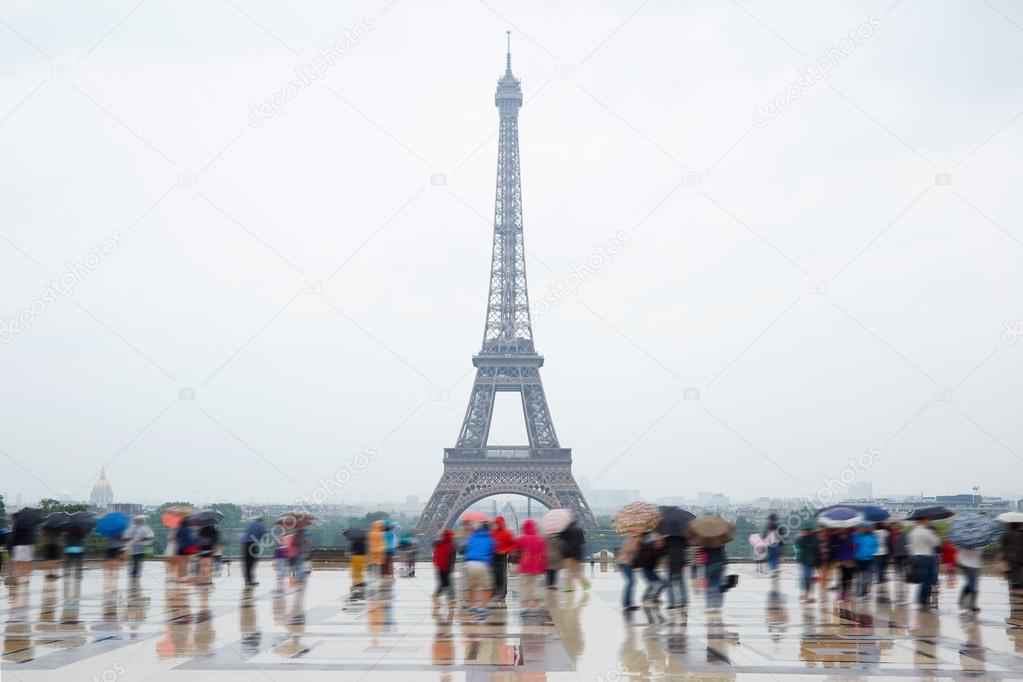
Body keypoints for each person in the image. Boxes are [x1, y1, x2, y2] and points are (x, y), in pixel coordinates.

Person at [514, 519, 547, 615]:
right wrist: (543, 567)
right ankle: (535, 607)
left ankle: (524, 607)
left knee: (524, 587)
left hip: (524, 566)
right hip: (537, 567)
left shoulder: (522, 539)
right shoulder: (540, 539)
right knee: (536, 587)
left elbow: (516, 549)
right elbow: (544, 555)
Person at [463, 522, 495, 618]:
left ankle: (472, 607)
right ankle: (482, 608)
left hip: (468, 564)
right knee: (488, 588)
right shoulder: (489, 539)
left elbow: (466, 549)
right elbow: (491, 552)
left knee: (471, 587)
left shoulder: (472, 537)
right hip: (482, 564)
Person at [909, 518, 940, 609]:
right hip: (927, 557)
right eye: (927, 520)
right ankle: (923, 599)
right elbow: (936, 542)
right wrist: (934, 534)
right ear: (923, 521)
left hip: (917, 556)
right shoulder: (926, 531)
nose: (929, 521)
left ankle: (920, 598)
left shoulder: (913, 532)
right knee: (927, 579)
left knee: (922, 579)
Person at [490, 516, 516, 604]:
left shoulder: (507, 533)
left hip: (502, 556)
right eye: (496, 523)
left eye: (498, 523)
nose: (497, 524)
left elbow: (513, 545)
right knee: (494, 575)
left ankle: (502, 594)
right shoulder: (492, 533)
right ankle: (495, 593)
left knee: (502, 575)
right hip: (493, 556)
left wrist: (505, 551)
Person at [559, 520, 590, 593]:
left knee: (568, 571)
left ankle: (569, 587)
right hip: (576, 554)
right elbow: (582, 542)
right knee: (577, 571)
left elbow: (561, 539)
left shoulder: (565, 530)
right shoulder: (579, 530)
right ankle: (585, 583)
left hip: (567, 553)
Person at [10, 511, 37, 585]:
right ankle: (26, 579)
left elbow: (13, 536)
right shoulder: (30, 525)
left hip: (19, 545)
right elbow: (33, 535)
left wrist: (11, 546)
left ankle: (18, 578)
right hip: (28, 545)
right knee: (27, 562)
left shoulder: (17, 524)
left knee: (18, 562)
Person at [636, 535, 665, 605]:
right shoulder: (648, 548)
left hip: (651, 570)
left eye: (660, 543)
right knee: (652, 584)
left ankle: (654, 598)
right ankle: (645, 598)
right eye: (658, 543)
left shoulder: (660, 550)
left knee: (662, 584)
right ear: (654, 542)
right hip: (646, 570)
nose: (659, 544)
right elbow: (642, 545)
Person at [432, 530, 456, 611]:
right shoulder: (451, 545)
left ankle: (437, 597)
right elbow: (452, 558)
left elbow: (435, 556)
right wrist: (451, 568)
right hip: (446, 567)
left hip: (439, 567)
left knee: (444, 584)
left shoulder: (438, 544)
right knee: (447, 584)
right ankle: (451, 601)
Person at [616, 535, 641, 611]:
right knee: (631, 582)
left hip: (625, 562)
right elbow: (628, 550)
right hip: (625, 562)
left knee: (631, 582)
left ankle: (628, 603)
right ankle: (627, 603)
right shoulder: (635, 538)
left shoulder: (633, 538)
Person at [664, 534, 689, 610]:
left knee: (670, 584)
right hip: (680, 562)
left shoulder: (667, 539)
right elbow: (686, 549)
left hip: (671, 562)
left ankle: (672, 603)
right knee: (681, 583)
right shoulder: (683, 538)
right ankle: (683, 601)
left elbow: (664, 551)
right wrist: (685, 562)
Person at [853, 524, 878, 598]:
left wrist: (869, 552)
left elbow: (876, 546)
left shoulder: (872, 536)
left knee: (866, 576)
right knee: (858, 577)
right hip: (858, 558)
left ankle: (865, 592)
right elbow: (852, 546)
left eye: (864, 528)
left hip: (868, 559)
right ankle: (858, 591)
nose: (862, 529)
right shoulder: (855, 536)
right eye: (860, 528)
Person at [795, 527, 818, 603]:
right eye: (806, 530)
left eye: (808, 530)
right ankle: (805, 594)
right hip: (805, 561)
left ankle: (807, 595)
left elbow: (816, 548)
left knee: (808, 578)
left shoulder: (814, 539)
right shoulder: (803, 539)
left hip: (811, 561)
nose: (807, 532)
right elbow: (797, 545)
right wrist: (799, 537)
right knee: (806, 577)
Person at [957, 544, 982, 612]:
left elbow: (960, 553)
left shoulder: (963, 542)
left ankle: (963, 600)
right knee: (973, 584)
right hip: (971, 565)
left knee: (970, 583)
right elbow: (979, 553)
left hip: (971, 565)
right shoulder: (977, 542)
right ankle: (971, 604)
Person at [241, 517, 265, 586]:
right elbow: (262, 535)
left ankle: (247, 580)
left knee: (246, 563)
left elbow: (246, 532)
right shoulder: (261, 525)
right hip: (253, 544)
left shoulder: (250, 524)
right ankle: (251, 579)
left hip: (245, 544)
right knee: (252, 562)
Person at [705, 544, 728, 612]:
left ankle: (710, 603)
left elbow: (704, 552)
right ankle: (718, 604)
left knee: (710, 584)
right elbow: (723, 552)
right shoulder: (720, 539)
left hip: (709, 563)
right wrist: (725, 563)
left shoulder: (706, 539)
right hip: (720, 562)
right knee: (719, 583)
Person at [1002, 523, 1023, 592]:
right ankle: (1016, 586)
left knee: (1012, 573)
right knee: (1017, 573)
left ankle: (1013, 587)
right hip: (1019, 557)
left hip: (1008, 557)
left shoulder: (1006, 535)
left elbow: (1003, 546)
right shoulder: (1021, 535)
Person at [367, 520, 386, 587]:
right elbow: (383, 543)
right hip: (379, 551)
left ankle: (371, 577)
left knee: (372, 564)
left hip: (372, 551)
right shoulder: (381, 534)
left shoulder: (370, 533)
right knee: (378, 565)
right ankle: (377, 577)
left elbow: (368, 542)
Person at [348, 532, 367, 597]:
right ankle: (361, 582)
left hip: (355, 557)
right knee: (360, 570)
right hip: (362, 557)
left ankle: (356, 582)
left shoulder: (354, 542)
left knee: (355, 571)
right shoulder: (364, 543)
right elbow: (365, 551)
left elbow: (351, 550)